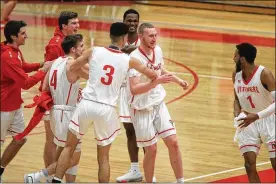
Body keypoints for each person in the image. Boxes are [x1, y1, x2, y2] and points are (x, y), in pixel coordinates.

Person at [51, 22, 171, 183]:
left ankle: (56, 180)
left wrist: (94, 74)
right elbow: (153, 74)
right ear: (125, 38)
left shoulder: (94, 51)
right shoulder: (129, 60)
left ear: (110, 36)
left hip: (86, 104)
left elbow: (73, 66)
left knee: (69, 147)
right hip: (106, 109)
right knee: (103, 156)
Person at [128, 22, 188, 183]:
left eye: (156, 35)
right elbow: (134, 89)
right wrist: (155, 82)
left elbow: (160, 69)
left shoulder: (158, 50)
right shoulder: (134, 58)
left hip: (158, 103)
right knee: (152, 150)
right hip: (141, 108)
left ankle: (180, 181)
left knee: (173, 142)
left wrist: (176, 79)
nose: (154, 38)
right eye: (151, 35)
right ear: (141, 37)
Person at [24, 34, 89, 183]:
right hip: (68, 113)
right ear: (73, 49)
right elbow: (93, 77)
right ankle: (37, 176)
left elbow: (45, 87)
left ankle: (62, 181)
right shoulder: (72, 64)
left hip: (55, 112)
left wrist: (63, 90)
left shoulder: (56, 62)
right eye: (81, 46)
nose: (83, 49)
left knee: (63, 152)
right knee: (73, 156)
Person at [0, 20, 51, 180]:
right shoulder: (8, 56)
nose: (26, 36)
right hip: (3, 106)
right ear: (14, 36)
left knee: (20, 138)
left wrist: (41, 64)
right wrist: (43, 72)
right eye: (23, 33)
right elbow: (26, 83)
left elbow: (23, 66)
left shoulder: (14, 51)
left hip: (13, 104)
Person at [42, 11, 80, 175]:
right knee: (52, 141)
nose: (77, 26)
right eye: (74, 23)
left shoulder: (65, 41)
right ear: (64, 26)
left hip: (61, 99)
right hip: (53, 100)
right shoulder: (56, 44)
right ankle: (48, 176)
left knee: (60, 143)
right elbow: (47, 71)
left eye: (78, 22)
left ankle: (53, 175)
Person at [232, 43, 275, 182]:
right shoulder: (236, 75)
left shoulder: (265, 74)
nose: (233, 58)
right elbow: (236, 99)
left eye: (235, 55)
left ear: (242, 59)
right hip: (247, 122)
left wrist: (257, 116)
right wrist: (236, 113)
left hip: (268, 119)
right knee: (249, 165)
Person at [116, 9, 145, 183]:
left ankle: (150, 170)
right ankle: (135, 169)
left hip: (141, 90)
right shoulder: (119, 41)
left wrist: (134, 51)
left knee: (145, 131)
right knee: (130, 131)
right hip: (124, 90)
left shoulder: (145, 41)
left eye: (135, 21)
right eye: (129, 21)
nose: (132, 24)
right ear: (124, 21)